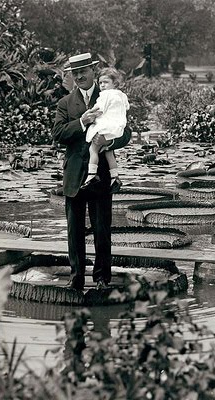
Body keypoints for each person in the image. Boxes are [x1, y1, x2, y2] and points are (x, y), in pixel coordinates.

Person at [52, 53, 131, 291]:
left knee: (102, 230)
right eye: (75, 74)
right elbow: (58, 135)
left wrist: (109, 143)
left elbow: (125, 133)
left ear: (92, 71)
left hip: (101, 174)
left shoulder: (109, 95)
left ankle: (101, 279)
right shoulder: (65, 103)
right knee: (74, 231)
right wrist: (83, 122)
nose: (79, 77)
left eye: (83, 71)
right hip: (75, 174)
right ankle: (76, 278)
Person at [81, 67, 129, 193]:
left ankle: (92, 174)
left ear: (115, 83)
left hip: (105, 126)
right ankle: (115, 176)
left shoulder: (105, 95)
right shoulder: (121, 95)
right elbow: (126, 107)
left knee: (93, 149)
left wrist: (91, 113)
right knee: (109, 152)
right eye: (100, 83)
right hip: (116, 126)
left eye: (106, 82)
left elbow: (100, 109)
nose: (102, 85)